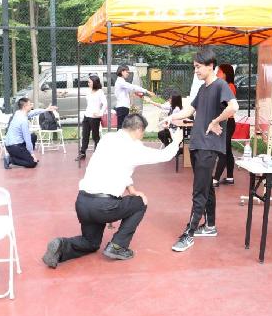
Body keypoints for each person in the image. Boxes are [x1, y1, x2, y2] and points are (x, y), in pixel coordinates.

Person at [42, 113, 182, 268]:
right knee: (140, 203)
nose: (142, 136)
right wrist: (177, 140)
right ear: (138, 130)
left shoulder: (107, 138)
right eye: (143, 132)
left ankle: (61, 246)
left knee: (91, 243)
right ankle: (118, 246)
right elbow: (165, 155)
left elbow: (118, 167)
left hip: (83, 202)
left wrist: (131, 189)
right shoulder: (134, 148)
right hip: (103, 206)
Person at [163, 47, 238, 252]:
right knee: (206, 187)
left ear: (210, 66)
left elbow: (233, 107)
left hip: (208, 146)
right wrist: (172, 117)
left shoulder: (220, 85)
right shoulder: (203, 88)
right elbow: (190, 109)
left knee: (199, 191)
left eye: (198, 67)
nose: (195, 70)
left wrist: (216, 120)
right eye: (194, 67)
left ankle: (189, 233)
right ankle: (210, 226)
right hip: (197, 144)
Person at [3, 98, 57, 169]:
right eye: (30, 104)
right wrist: (32, 154)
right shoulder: (23, 120)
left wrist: (46, 109)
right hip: (15, 146)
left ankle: (18, 156)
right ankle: (10, 159)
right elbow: (27, 138)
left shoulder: (18, 113)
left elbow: (33, 112)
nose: (31, 105)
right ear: (25, 106)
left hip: (9, 145)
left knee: (33, 136)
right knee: (32, 163)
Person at [212, 64, 237, 187]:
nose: (217, 74)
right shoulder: (225, 86)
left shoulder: (229, 86)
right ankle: (230, 177)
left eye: (219, 72)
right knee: (228, 151)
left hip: (228, 122)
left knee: (222, 150)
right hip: (226, 122)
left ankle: (215, 179)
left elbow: (225, 105)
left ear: (225, 74)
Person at [76, 74, 107, 161]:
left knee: (95, 136)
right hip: (87, 115)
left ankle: (97, 153)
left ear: (95, 82)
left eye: (89, 82)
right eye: (88, 82)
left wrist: (100, 113)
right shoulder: (88, 90)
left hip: (94, 117)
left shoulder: (100, 92)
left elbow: (105, 103)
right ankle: (82, 153)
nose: (88, 83)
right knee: (85, 135)